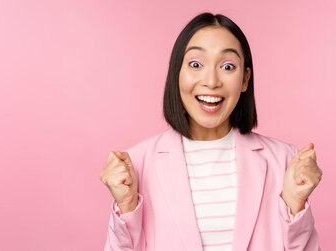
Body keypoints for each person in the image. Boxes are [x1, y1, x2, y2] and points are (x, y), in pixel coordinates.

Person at [99, 12, 322, 251]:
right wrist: (126, 205)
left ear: (245, 79)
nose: (212, 81)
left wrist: (296, 205)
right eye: (196, 64)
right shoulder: (137, 165)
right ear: (177, 73)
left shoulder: (284, 161)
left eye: (228, 66)